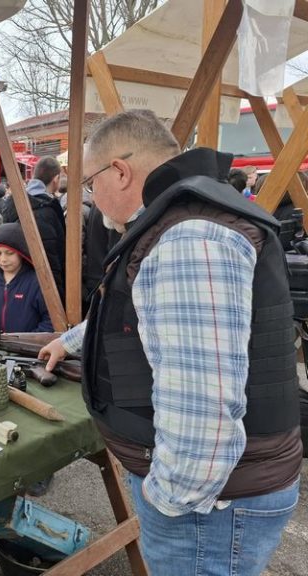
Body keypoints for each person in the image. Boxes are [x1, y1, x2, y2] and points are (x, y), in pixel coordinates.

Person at [38, 110, 301, 576]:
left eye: (90, 183)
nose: (92, 200)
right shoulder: (185, 219)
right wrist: (71, 340)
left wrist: (167, 500)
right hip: (222, 497)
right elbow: (149, 316)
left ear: (118, 172)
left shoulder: (189, 235)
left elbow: (203, 406)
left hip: (206, 506)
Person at [1, 156, 66, 298]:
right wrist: (58, 295)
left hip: (17, 285)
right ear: (56, 179)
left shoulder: (13, 202)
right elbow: (50, 259)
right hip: (40, 291)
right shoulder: (45, 210)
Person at [0, 223, 52, 333]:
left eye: (9, 253)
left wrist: (28, 341)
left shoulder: (37, 282)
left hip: (28, 348)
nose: (3, 259)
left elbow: (49, 320)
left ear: (21, 253)